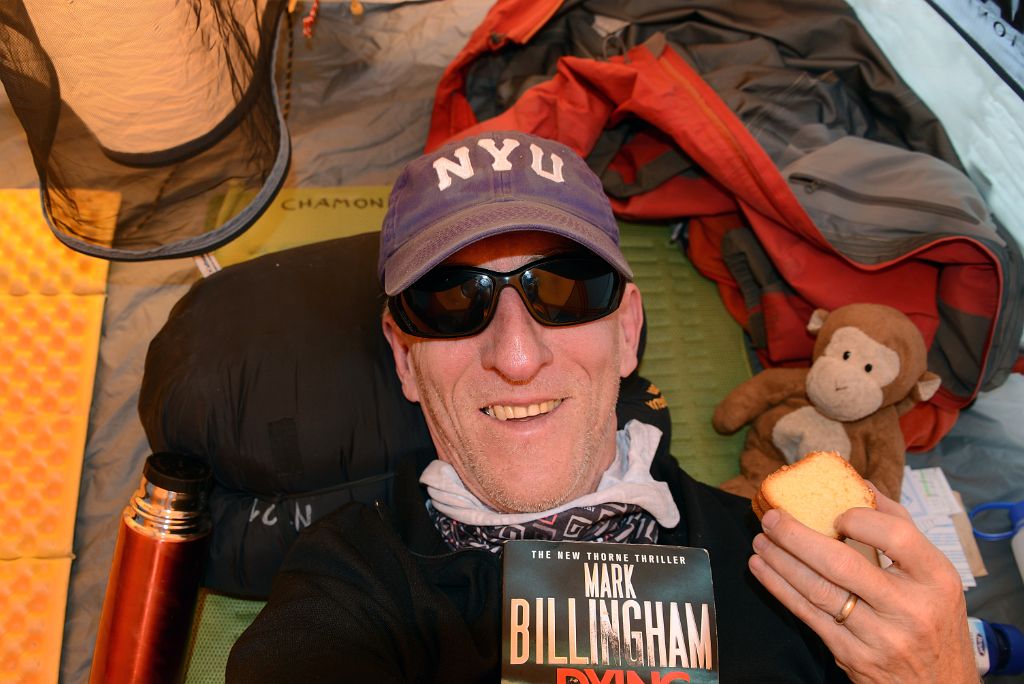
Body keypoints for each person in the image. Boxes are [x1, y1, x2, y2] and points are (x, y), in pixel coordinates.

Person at [226, 131, 975, 682]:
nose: (516, 358)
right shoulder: (349, 589)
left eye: (564, 289)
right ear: (404, 358)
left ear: (626, 332)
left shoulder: (794, 570)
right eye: (452, 302)